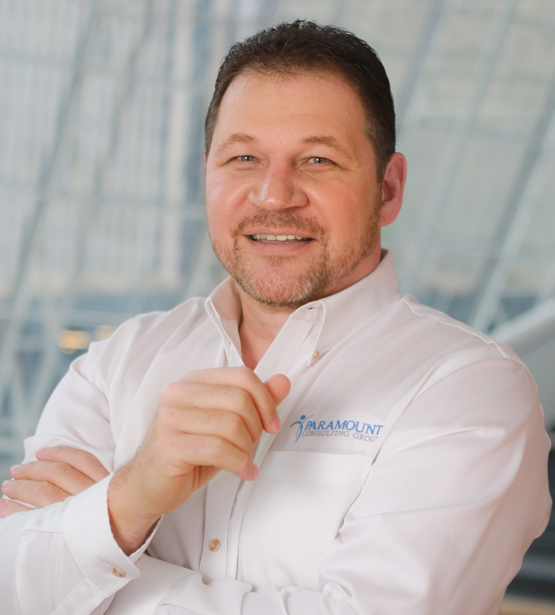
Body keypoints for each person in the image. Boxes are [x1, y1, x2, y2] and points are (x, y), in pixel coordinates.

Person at [0, 20, 551, 615]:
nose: (273, 194)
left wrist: (97, 567)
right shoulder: (116, 365)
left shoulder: (470, 389)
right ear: (206, 173)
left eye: (317, 159)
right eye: (243, 157)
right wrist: (130, 496)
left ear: (388, 189)